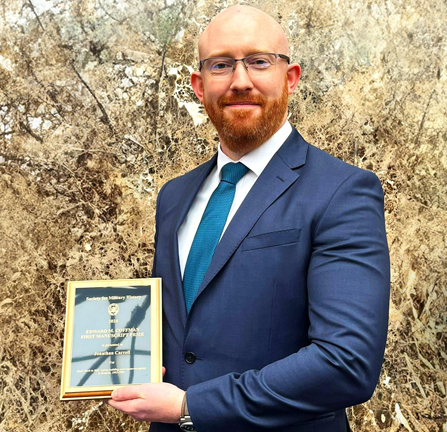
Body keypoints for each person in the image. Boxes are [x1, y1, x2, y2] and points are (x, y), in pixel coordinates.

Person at [107, 5, 390, 432]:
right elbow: (182, 337)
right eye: (221, 65)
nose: (240, 81)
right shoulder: (174, 196)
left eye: (259, 61)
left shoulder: (342, 192)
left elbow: (345, 363)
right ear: (199, 86)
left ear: (289, 78)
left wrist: (190, 406)